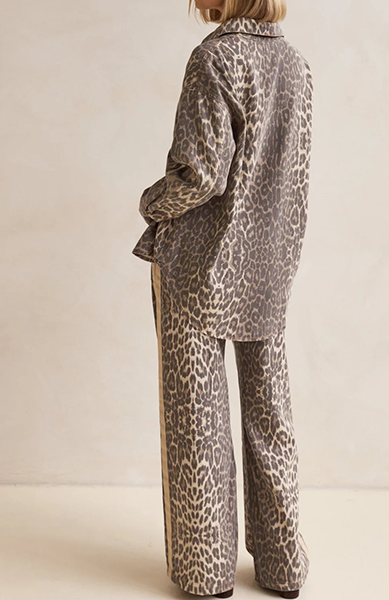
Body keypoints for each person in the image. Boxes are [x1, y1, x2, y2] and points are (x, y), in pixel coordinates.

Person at [131, 1, 313, 597]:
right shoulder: (296, 65)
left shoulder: (214, 58)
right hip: (269, 265)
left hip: (199, 267)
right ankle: (283, 565)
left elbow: (202, 175)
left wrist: (150, 204)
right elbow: (291, 177)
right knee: (270, 415)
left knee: (197, 421)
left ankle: (206, 572)